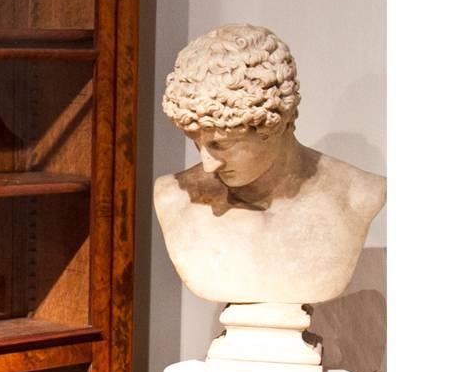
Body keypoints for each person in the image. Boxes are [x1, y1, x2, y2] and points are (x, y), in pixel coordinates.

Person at [153, 24, 385, 307]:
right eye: (195, 142)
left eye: (221, 145)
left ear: (279, 123)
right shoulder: (173, 196)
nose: (208, 165)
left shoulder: (359, 196)